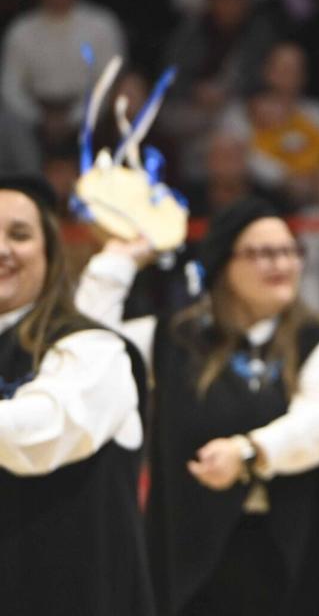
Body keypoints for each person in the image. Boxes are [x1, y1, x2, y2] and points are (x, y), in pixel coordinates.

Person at [76, 197, 319, 615]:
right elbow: (86, 351)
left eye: (288, 250)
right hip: (194, 564)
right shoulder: (173, 338)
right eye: (261, 253)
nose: (280, 263)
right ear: (223, 265)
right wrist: (117, 262)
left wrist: (248, 452)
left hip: (299, 559)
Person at [0, 175, 153, 614]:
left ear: (50, 253)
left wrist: (116, 262)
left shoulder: (94, 349)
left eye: (20, 234)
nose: (3, 248)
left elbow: (44, 433)